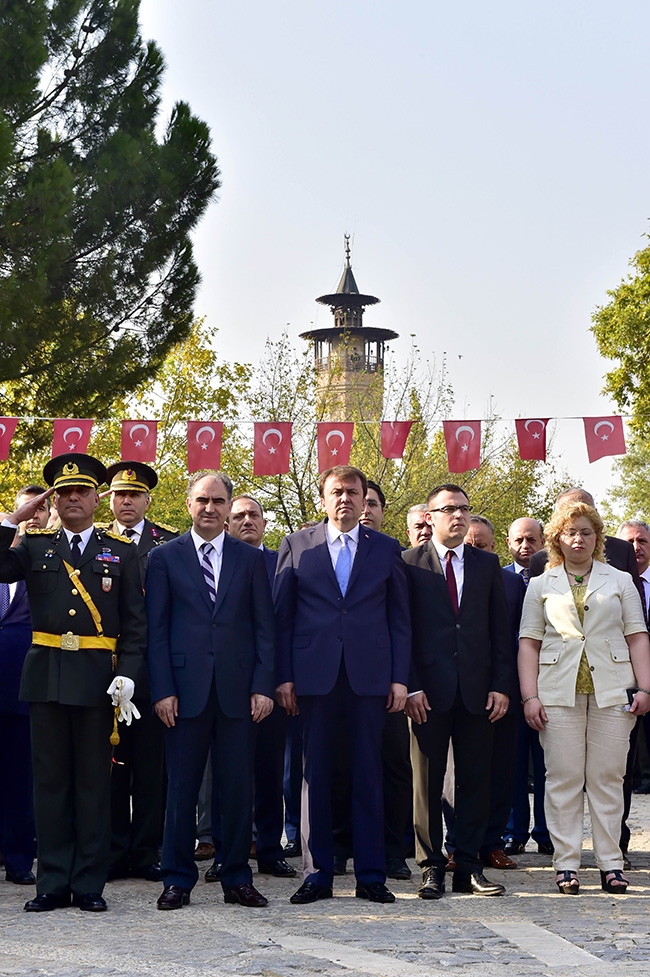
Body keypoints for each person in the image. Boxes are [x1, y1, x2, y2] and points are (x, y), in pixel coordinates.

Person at [0, 454, 145, 912]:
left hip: (98, 680)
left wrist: (128, 674)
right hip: (45, 678)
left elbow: (136, 626)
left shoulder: (118, 551)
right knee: (50, 783)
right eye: (64, 493)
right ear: (54, 501)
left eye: (82, 490)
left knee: (92, 785)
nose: (74, 498)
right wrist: (13, 519)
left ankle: (88, 884)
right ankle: (53, 882)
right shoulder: (33, 546)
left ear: (96, 498)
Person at [274, 465, 411, 905]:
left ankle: (371, 875)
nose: (345, 499)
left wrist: (399, 679)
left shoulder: (386, 548)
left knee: (368, 774)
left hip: (370, 678)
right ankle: (318, 874)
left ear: (364, 499)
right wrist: (284, 677)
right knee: (315, 775)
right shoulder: (297, 545)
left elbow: (399, 620)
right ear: (323, 499)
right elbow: (282, 619)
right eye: (337, 492)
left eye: (353, 492)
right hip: (314, 678)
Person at [147, 471, 276, 910]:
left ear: (227, 507)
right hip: (183, 694)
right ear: (189, 504)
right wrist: (162, 689)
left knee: (237, 789)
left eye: (218, 501)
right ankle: (178, 878)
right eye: (202, 500)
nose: (210, 508)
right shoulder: (164, 557)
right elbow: (157, 629)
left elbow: (265, 629)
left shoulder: (252, 559)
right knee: (181, 790)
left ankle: (237, 876)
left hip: (240, 692)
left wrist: (263, 686)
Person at [519, 501, 650, 894]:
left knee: (608, 778)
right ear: (559, 538)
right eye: (571, 532)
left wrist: (645, 687)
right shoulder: (542, 583)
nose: (579, 539)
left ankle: (611, 863)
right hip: (557, 691)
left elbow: (637, 635)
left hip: (613, 690)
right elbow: (528, 642)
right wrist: (529, 697)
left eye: (587, 532)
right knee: (563, 778)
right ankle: (566, 864)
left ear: (598, 538)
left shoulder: (621, 580)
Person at [403, 484, 513, 899]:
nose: (459, 515)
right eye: (449, 509)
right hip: (426, 694)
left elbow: (501, 632)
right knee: (426, 785)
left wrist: (502, 686)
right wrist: (410, 685)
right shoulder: (408, 563)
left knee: (473, 781)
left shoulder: (487, 565)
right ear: (429, 516)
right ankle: (431, 867)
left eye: (464, 509)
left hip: (477, 692)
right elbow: (403, 631)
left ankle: (468, 867)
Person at [105, 461, 178, 883]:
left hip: (154, 675)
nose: (126, 501)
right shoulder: (96, 541)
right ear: (109, 499)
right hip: (108, 672)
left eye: (134, 495)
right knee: (113, 768)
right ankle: (115, 851)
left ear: (148, 499)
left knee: (152, 772)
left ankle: (147, 852)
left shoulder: (166, 544)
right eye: (119, 494)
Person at [222, 494, 295, 879]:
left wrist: (280, 680)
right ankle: (226, 851)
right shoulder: (218, 561)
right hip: (225, 684)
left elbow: (287, 627)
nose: (247, 520)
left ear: (265, 523)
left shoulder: (282, 564)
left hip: (272, 684)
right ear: (227, 523)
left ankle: (269, 848)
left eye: (254, 515)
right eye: (239, 516)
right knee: (228, 773)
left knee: (270, 772)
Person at [463, 516, 526, 870]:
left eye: (482, 546)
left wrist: (504, 686)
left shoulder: (511, 583)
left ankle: (492, 843)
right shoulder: (442, 578)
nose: (474, 551)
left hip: (501, 690)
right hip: (458, 690)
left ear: (494, 548)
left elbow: (512, 640)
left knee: (500, 771)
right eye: (470, 545)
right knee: (458, 776)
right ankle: (459, 844)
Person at [0, 486, 50, 886]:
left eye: (42, 508)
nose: (35, 514)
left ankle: (18, 856)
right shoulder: (6, 553)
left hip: (22, 687)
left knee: (19, 777)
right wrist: (12, 522)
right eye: (27, 509)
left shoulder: (47, 560)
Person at [501, 517, 553, 859]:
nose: (525, 546)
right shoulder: (498, 579)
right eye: (519, 539)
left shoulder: (556, 579)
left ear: (543, 540)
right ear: (508, 542)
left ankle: (548, 833)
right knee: (512, 765)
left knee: (550, 764)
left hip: (550, 684)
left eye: (532, 539)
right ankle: (513, 833)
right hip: (509, 685)